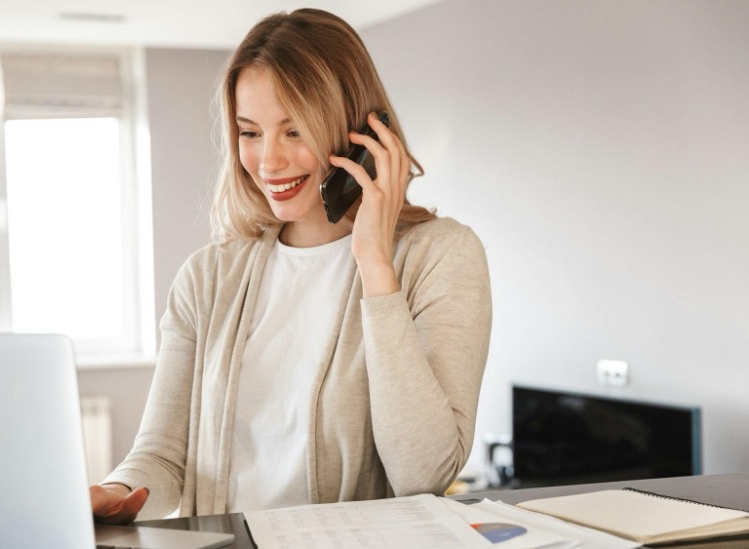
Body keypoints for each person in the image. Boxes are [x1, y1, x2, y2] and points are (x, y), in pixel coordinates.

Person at [90, 8, 491, 523]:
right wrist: (116, 489)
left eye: (294, 131)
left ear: (360, 135)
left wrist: (375, 265)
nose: (268, 161)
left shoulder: (443, 256)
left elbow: (422, 473)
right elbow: (164, 456)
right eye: (250, 132)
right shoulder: (208, 278)